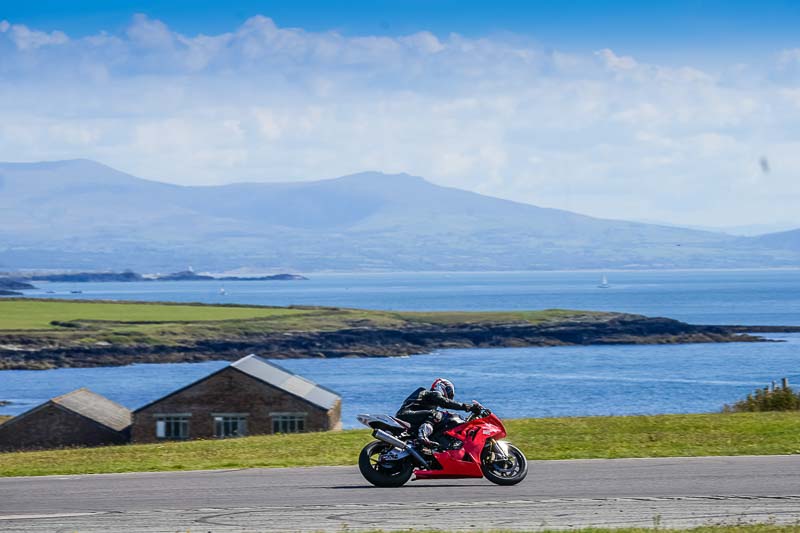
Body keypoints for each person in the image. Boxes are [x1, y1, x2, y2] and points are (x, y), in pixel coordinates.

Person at [395, 378, 481, 449]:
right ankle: (423, 436)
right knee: (435, 414)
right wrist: (467, 407)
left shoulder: (430, 403)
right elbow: (445, 402)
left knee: (438, 419)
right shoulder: (431, 393)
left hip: (412, 419)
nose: (450, 397)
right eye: (449, 392)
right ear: (441, 386)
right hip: (406, 414)